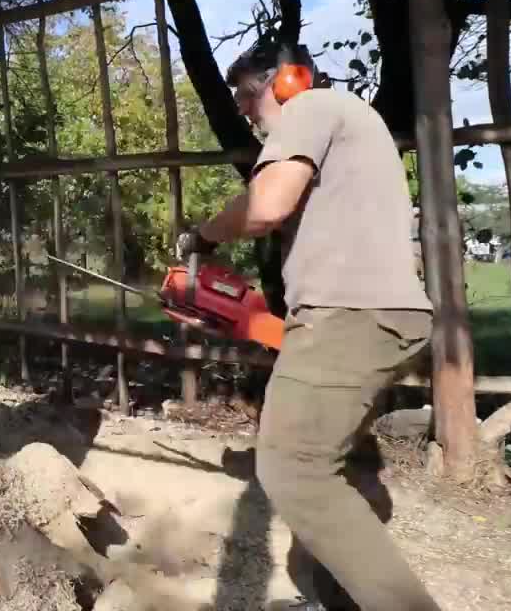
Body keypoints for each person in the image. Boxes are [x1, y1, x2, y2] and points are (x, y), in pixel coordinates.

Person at [175, 35, 441, 611]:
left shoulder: (312, 107)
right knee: (321, 467)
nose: (244, 109)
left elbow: (266, 206)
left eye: (249, 94)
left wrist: (201, 235)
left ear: (289, 79)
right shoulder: (346, 127)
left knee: (293, 468)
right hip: (356, 314)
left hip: (351, 315)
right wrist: (251, 324)